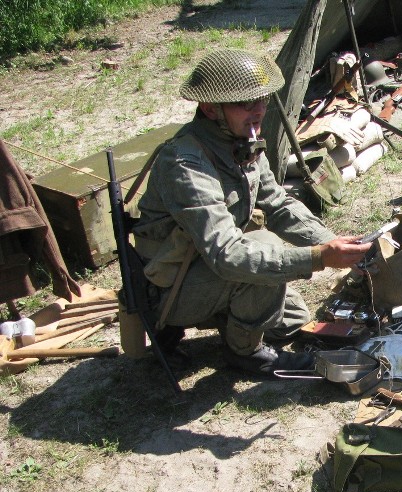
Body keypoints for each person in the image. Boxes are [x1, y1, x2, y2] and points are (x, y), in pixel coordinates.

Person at [133, 49, 371, 376]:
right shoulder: (186, 165)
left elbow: (278, 203)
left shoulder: (241, 141)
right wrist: (318, 258)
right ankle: (246, 353)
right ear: (210, 108)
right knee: (265, 255)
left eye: (262, 100)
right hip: (170, 289)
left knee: (291, 320)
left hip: (203, 264)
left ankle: (227, 316)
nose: (259, 110)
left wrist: (335, 244)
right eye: (247, 103)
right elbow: (228, 255)